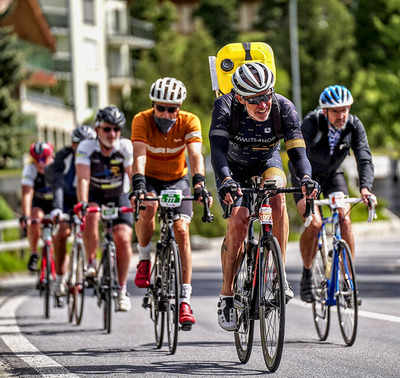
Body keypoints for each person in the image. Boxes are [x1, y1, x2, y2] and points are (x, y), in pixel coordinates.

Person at [209, 62, 318, 331]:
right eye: (255, 99)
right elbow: (218, 152)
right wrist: (225, 181)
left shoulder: (283, 108)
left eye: (267, 95)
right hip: (233, 169)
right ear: (239, 97)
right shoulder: (224, 107)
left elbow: (298, 154)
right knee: (239, 221)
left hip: (267, 162)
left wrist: (305, 179)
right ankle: (226, 294)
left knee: (278, 197)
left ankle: (277, 273)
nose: (263, 104)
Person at [130, 77, 213, 330]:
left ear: (180, 107)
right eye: (160, 108)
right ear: (153, 105)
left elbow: (195, 154)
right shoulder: (141, 120)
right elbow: (139, 155)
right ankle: (144, 258)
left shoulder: (190, 121)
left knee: (182, 231)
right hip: (151, 179)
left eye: (172, 109)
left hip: (178, 180)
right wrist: (139, 185)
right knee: (149, 207)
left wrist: (199, 182)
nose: (165, 114)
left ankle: (185, 300)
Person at [289, 85, 377, 303]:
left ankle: (347, 280)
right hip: (305, 177)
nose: (342, 115)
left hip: (332, 176)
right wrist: (305, 187)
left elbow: (364, 157)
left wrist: (365, 187)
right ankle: (307, 275)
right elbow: (296, 157)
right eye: (336, 111)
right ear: (325, 111)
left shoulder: (354, 125)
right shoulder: (311, 124)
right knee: (315, 223)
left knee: (344, 218)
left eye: (345, 109)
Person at [75, 106, 134, 312]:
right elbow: (82, 178)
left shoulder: (125, 146)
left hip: (119, 195)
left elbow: (133, 174)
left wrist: (139, 195)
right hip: (95, 194)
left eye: (117, 129)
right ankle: (91, 263)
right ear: (97, 129)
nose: (113, 134)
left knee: (123, 238)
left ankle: (122, 289)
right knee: (91, 217)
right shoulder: (86, 146)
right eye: (107, 129)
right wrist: (82, 203)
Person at [47, 125, 97, 306]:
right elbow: (58, 184)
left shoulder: (97, 155)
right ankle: (59, 278)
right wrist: (57, 208)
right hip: (67, 198)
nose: (83, 148)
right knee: (62, 233)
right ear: (72, 144)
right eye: (78, 144)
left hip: (89, 198)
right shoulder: (63, 157)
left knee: (92, 222)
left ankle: (91, 263)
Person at [20, 142, 55, 272]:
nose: (40, 163)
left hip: (55, 204)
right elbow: (27, 194)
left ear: (51, 157)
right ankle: (34, 253)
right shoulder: (30, 169)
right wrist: (26, 216)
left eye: (43, 159)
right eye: (36, 159)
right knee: (35, 218)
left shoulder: (57, 168)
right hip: (38, 204)